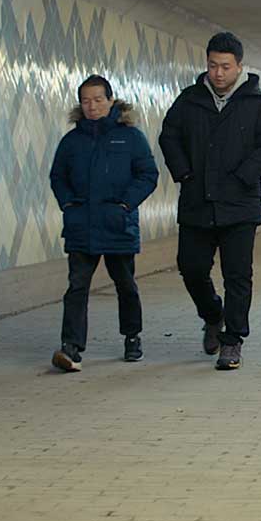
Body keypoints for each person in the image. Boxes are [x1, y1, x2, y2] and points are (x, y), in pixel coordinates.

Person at [158, 32, 261, 371]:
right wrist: (183, 173)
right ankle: (212, 314)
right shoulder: (190, 100)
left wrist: (245, 175)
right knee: (191, 267)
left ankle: (233, 341)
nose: (218, 73)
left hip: (239, 206)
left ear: (239, 66)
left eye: (225, 67)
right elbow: (168, 136)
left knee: (237, 276)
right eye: (213, 65)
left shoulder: (256, 103)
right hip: (197, 202)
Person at [49, 75, 159, 372]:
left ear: (111, 101)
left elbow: (148, 174)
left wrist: (125, 205)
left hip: (116, 224)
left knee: (125, 285)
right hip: (81, 225)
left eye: (98, 100)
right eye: (86, 101)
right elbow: (57, 176)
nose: (92, 106)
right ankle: (71, 346)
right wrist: (68, 205)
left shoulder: (130, 137)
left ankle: (132, 336)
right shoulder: (71, 141)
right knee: (77, 287)